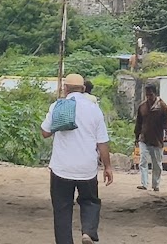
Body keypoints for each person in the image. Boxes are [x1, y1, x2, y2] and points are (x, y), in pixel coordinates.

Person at [40, 73, 113, 244]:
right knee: (90, 201)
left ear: (65, 88)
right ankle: (88, 231)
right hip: (87, 169)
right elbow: (102, 142)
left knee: (62, 209)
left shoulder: (58, 106)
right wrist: (107, 167)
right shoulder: (94, 109)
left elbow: (45, 132)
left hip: (61, 169)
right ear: (83, 89)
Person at [134, 81, 167, 192]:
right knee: (143, 161)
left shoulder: (162, 107)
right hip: (144, 138)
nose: (149, 97)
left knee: (157, 164)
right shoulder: (142, 107)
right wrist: (137, 136)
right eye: (147, 95)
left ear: (155, 94)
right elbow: (139, 123)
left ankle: (155, 185)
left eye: (151, 95)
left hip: (157, 140)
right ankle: (144, 184)